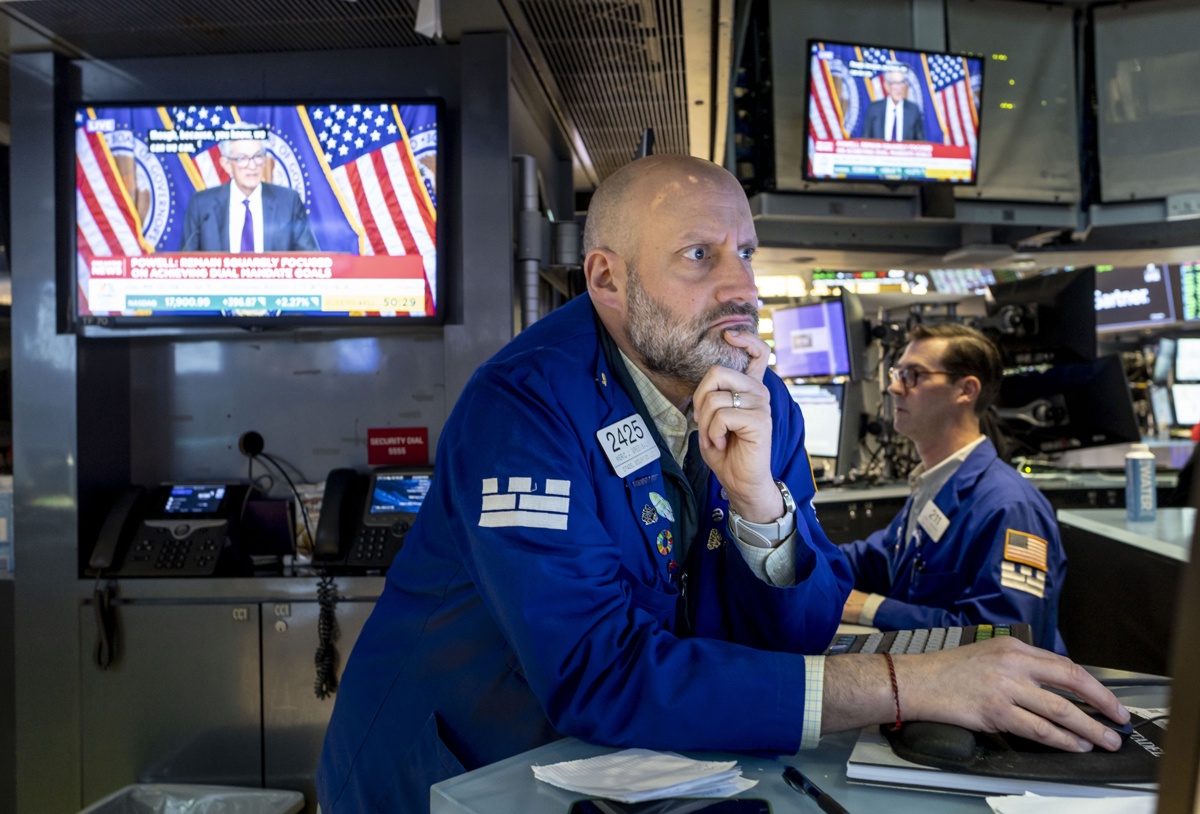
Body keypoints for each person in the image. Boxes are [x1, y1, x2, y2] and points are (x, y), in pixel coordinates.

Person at [315, 155, 1126, 814]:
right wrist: (903, 683)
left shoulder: (759, 395)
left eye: (746, 252)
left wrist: (760, 511)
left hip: (619, 772)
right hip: (449, 776)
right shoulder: (524, 406)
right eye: (700, 256)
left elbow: (798, 629)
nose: (740, 287)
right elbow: (596, 672)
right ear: (607, 279)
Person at [837, 324, 1068, 654]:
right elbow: (876, 559)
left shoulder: (1012, 507)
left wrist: (870, 608)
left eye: (912, 375)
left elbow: (1007, 635)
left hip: (996, 700)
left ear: (966, 390)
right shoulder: (935, 484)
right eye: (896, 373)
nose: (893, 387)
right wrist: (786, 558)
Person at [178, 135, 319, 252]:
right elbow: (185, 263)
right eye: (242, 158)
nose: (252, 166)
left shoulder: (288, 202)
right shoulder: (202, 205)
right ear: (226, 164)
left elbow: (310, 260)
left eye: (257, 156)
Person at [861, 68, 926, 142]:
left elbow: (921, 143)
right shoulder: (874, 109)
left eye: (902, 82)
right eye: (895, 83)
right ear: (887, 86)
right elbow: (865, 141)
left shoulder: (913, 111)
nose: (899, 88)